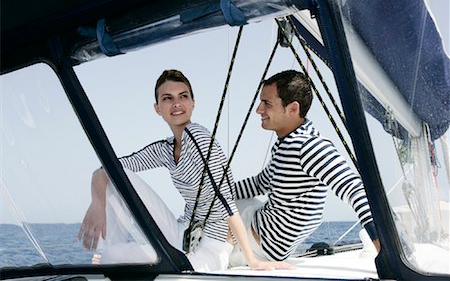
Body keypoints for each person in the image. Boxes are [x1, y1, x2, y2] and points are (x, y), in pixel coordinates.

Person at [78, 69, 293, 272]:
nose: (176, 103)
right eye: (167, 98)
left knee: (114, 258)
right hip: (182, 233)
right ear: (157, 108)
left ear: (192, 103)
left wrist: (252, 260)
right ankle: (110, 250)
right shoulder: (165, 148)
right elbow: (106, 169)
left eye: (183, 96)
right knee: (117, 183)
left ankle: (115, 256)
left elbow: (227, 201)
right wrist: (97, 202)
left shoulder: (198, 137)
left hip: (212, 247)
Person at [230, 70, 380, 264]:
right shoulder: (286, 144)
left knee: (213, 213)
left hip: (257, 246)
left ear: (293, 109)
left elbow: (353, 187)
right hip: (257, 224)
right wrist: (217, 191)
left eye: (266, 103)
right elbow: (260, 183)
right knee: (217, 199)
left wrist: (379, 240)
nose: (258, 109)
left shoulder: (308, 146)